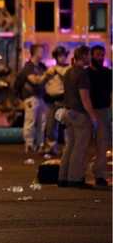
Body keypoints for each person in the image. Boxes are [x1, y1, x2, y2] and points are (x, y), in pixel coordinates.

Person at [58, 45, 97, 189]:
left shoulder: (68, 72)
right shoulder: (82, 74)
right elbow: (85, 98)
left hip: (67, 113)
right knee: (79, 148)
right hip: (79, 114)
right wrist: (93, 116)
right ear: (84, 56)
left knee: (70, 146)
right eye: (89, 55)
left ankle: (63, 177)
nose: (90, 58)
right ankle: (74, 179)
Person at [85, 45, 112, 186]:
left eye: (102, 55)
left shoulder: (108, 73)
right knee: (85, 144)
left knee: (102, 145)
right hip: (88, 112)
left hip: (103, 111)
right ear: (91, 56)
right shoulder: (86, 74)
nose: (100, 58)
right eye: (97, 55)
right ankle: (80, 173)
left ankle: (100, 175)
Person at [21, 44, 53, 153]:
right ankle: (29, 144)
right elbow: (34, 81)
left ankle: (40, 144)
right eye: (40, 50)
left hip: (41, 97)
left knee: (42, 122)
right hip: (31, 97)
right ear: (34, 52)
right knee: (30, 120)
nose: (43, 53)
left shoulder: (42, 67)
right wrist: (43, 77)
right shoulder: (29, 66)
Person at [44, 46, 70, 155]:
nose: (62, 58)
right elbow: (43, 81)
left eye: (63, 56)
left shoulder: (68, 69)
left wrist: (56, 69)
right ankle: (50, 148)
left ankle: (69, 148)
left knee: (67, 126)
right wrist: (47, 73)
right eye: (59, 56)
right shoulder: (51, 69)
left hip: (63, 100)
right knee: (51, 126)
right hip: (51, 101)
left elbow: (65, 75)